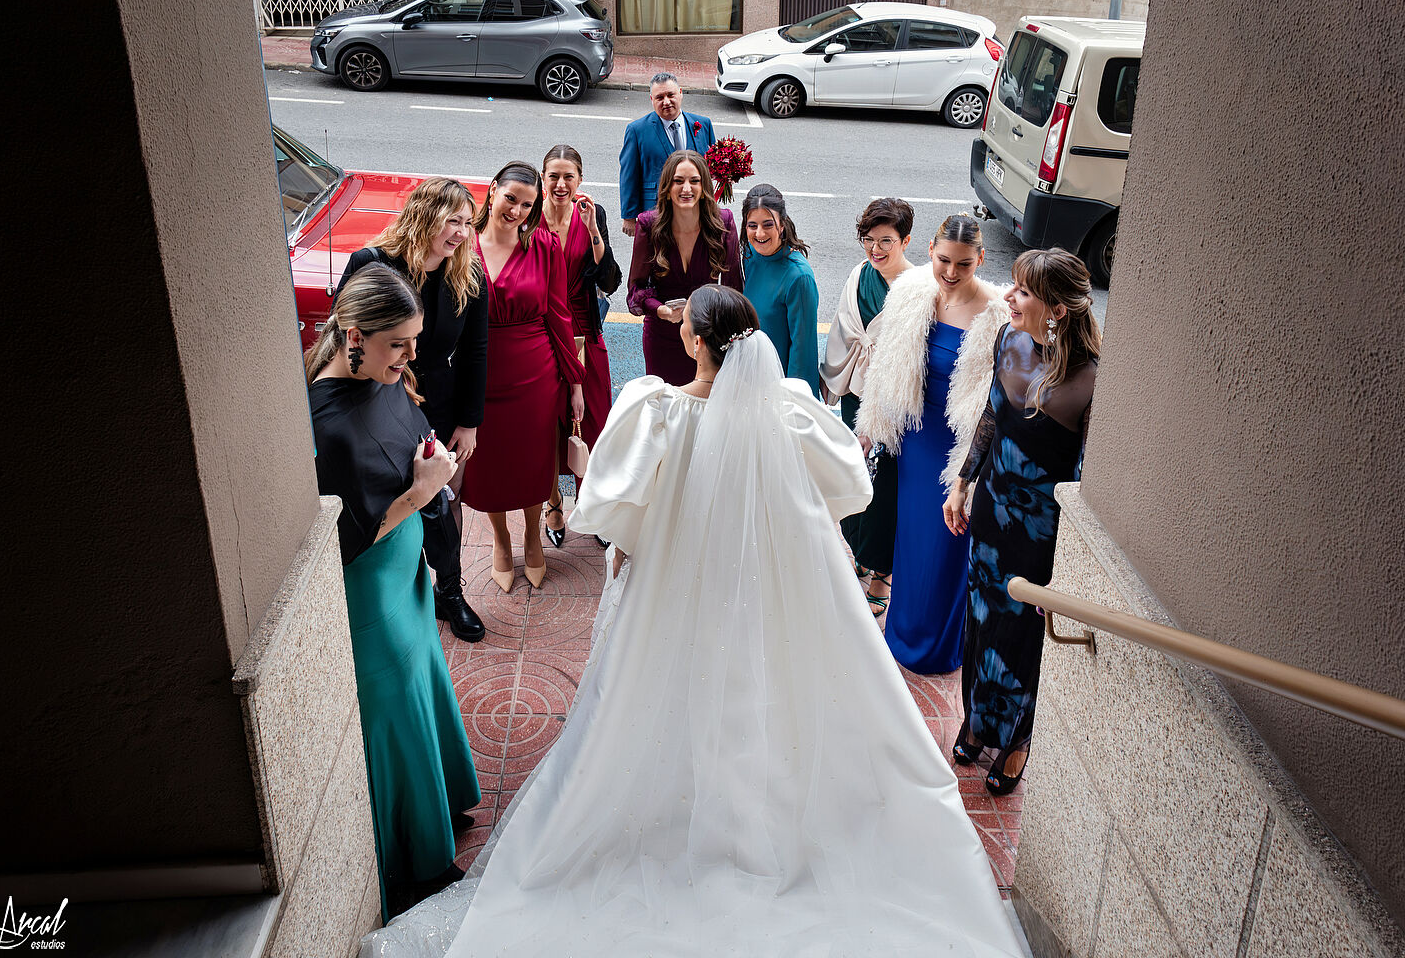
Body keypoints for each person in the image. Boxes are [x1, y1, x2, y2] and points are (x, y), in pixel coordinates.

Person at [359, 285, 1026, 957]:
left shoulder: (656, 411)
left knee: (672, 695)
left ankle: (690, 811)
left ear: (697, 342)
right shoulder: (789, 410)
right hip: (765, 587)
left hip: (673, 587)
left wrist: (615, 513)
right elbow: (846, 484)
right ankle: (760, 812)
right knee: (761, 694)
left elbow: (613, 510)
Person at [304, 263, 482, 921]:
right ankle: (416, 857)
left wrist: (426, 467)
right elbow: (348, 537)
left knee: (424, 679)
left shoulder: (381, 377)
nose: (410, 358)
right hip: (371, 592)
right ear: (354, 337)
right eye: (397, 345)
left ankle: (442, 803)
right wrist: (424, 490)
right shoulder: (325, 425)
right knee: (396, 706)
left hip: (406, 573)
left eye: (413, 342)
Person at [944, 249, 1101, 796]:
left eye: (1024, 291)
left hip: (1040, 533)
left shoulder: (1091, 380)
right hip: (992, 508)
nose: (1008, 296)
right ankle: (977, 721)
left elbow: (1084, 479)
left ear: (1056, 309)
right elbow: (992, 414)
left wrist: (1070, 563)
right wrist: (963, 483)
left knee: (1022, 634)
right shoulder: (1008, 339)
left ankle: (1016, 741)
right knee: (981, 619)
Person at [855, 215, 1009, 674]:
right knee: (912, 541)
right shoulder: (911, 291)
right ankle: (901, 633)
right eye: (944, 260)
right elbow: (887, 365)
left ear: (981, 259)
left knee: (947, 546)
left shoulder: (998, 314)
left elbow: (996, 401)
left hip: (959, 447)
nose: (951, 272)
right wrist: (870, 428)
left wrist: (969, 473)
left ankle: (940, 646)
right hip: (916, 440)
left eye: (964, 264)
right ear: (929, 250)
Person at [338, 176, 488, 641]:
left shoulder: (469, 274)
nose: (461, 233)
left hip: (439, 403)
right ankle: (395, 596)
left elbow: (476, 351)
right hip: (377, 402)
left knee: (441, 504)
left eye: (468, 223)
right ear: (424, 214)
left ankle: (450, 593)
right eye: (452, 220)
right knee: (388, 503)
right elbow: (342, 337)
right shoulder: (373, 263)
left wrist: (469, 421)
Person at [464, 161, 586, 592]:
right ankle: (501, 540)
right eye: (510, 199)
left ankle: (534, 536)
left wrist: (575, 382)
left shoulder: (545, 247)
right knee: (487, 466)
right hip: (478, 375)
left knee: (533, 463)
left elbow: (559, 315)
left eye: (527, 205)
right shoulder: (463, 245)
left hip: (535, 376)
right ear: (492, 190)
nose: (516, 211)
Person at [819, 198, 917, 619]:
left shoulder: (917, 288)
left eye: (886, 241)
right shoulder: (860, 274)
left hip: (892, 400)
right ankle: (860, 554)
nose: (875, 250)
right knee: (855, 476)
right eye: (869, 240)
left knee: (885, 488)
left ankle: (882, 575)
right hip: (855, 389)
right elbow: (844, 330)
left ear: (906, 241)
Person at [537, 144, 622, 550]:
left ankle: (592, 505)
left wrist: (593, 232)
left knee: (595, 420)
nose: (560, 184)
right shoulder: (529, 216)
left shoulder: (592, 213)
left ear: (580, 180)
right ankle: (553, 505)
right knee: (547, 425)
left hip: (585, 330)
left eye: (568, 176)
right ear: (542, 178)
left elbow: (610, 281)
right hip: (541, 331)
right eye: (553, 176)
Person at [626, 151, 743, 386]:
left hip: (708, 339)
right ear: (667, 188)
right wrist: (661, 310)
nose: (686, 188)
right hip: (662, 337)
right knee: (665, 403)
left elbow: (734, 288)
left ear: (704, 186)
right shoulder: (648, 225)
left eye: (694, 181)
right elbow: (635, 291)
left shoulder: (723, 223)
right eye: (678, 181)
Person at [739, 184, 820, 396]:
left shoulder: (799, 277)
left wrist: (794, 402)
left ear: (782, 225)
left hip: (779, 388)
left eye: (768, 224)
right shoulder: (750, 254)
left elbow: (803, 352)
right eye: (752, 225)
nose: (759, 233)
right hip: (750, 376)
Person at [619, 72, 716, 237]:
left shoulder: (703, 124)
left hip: (697, 209)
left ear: (680, 93)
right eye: (659, 97)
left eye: (671, 95)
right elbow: (629, 175)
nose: (666, 102)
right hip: (656, 211)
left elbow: (711, 167)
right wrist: (629, 216)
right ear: (652, 99)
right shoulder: (637, 130)